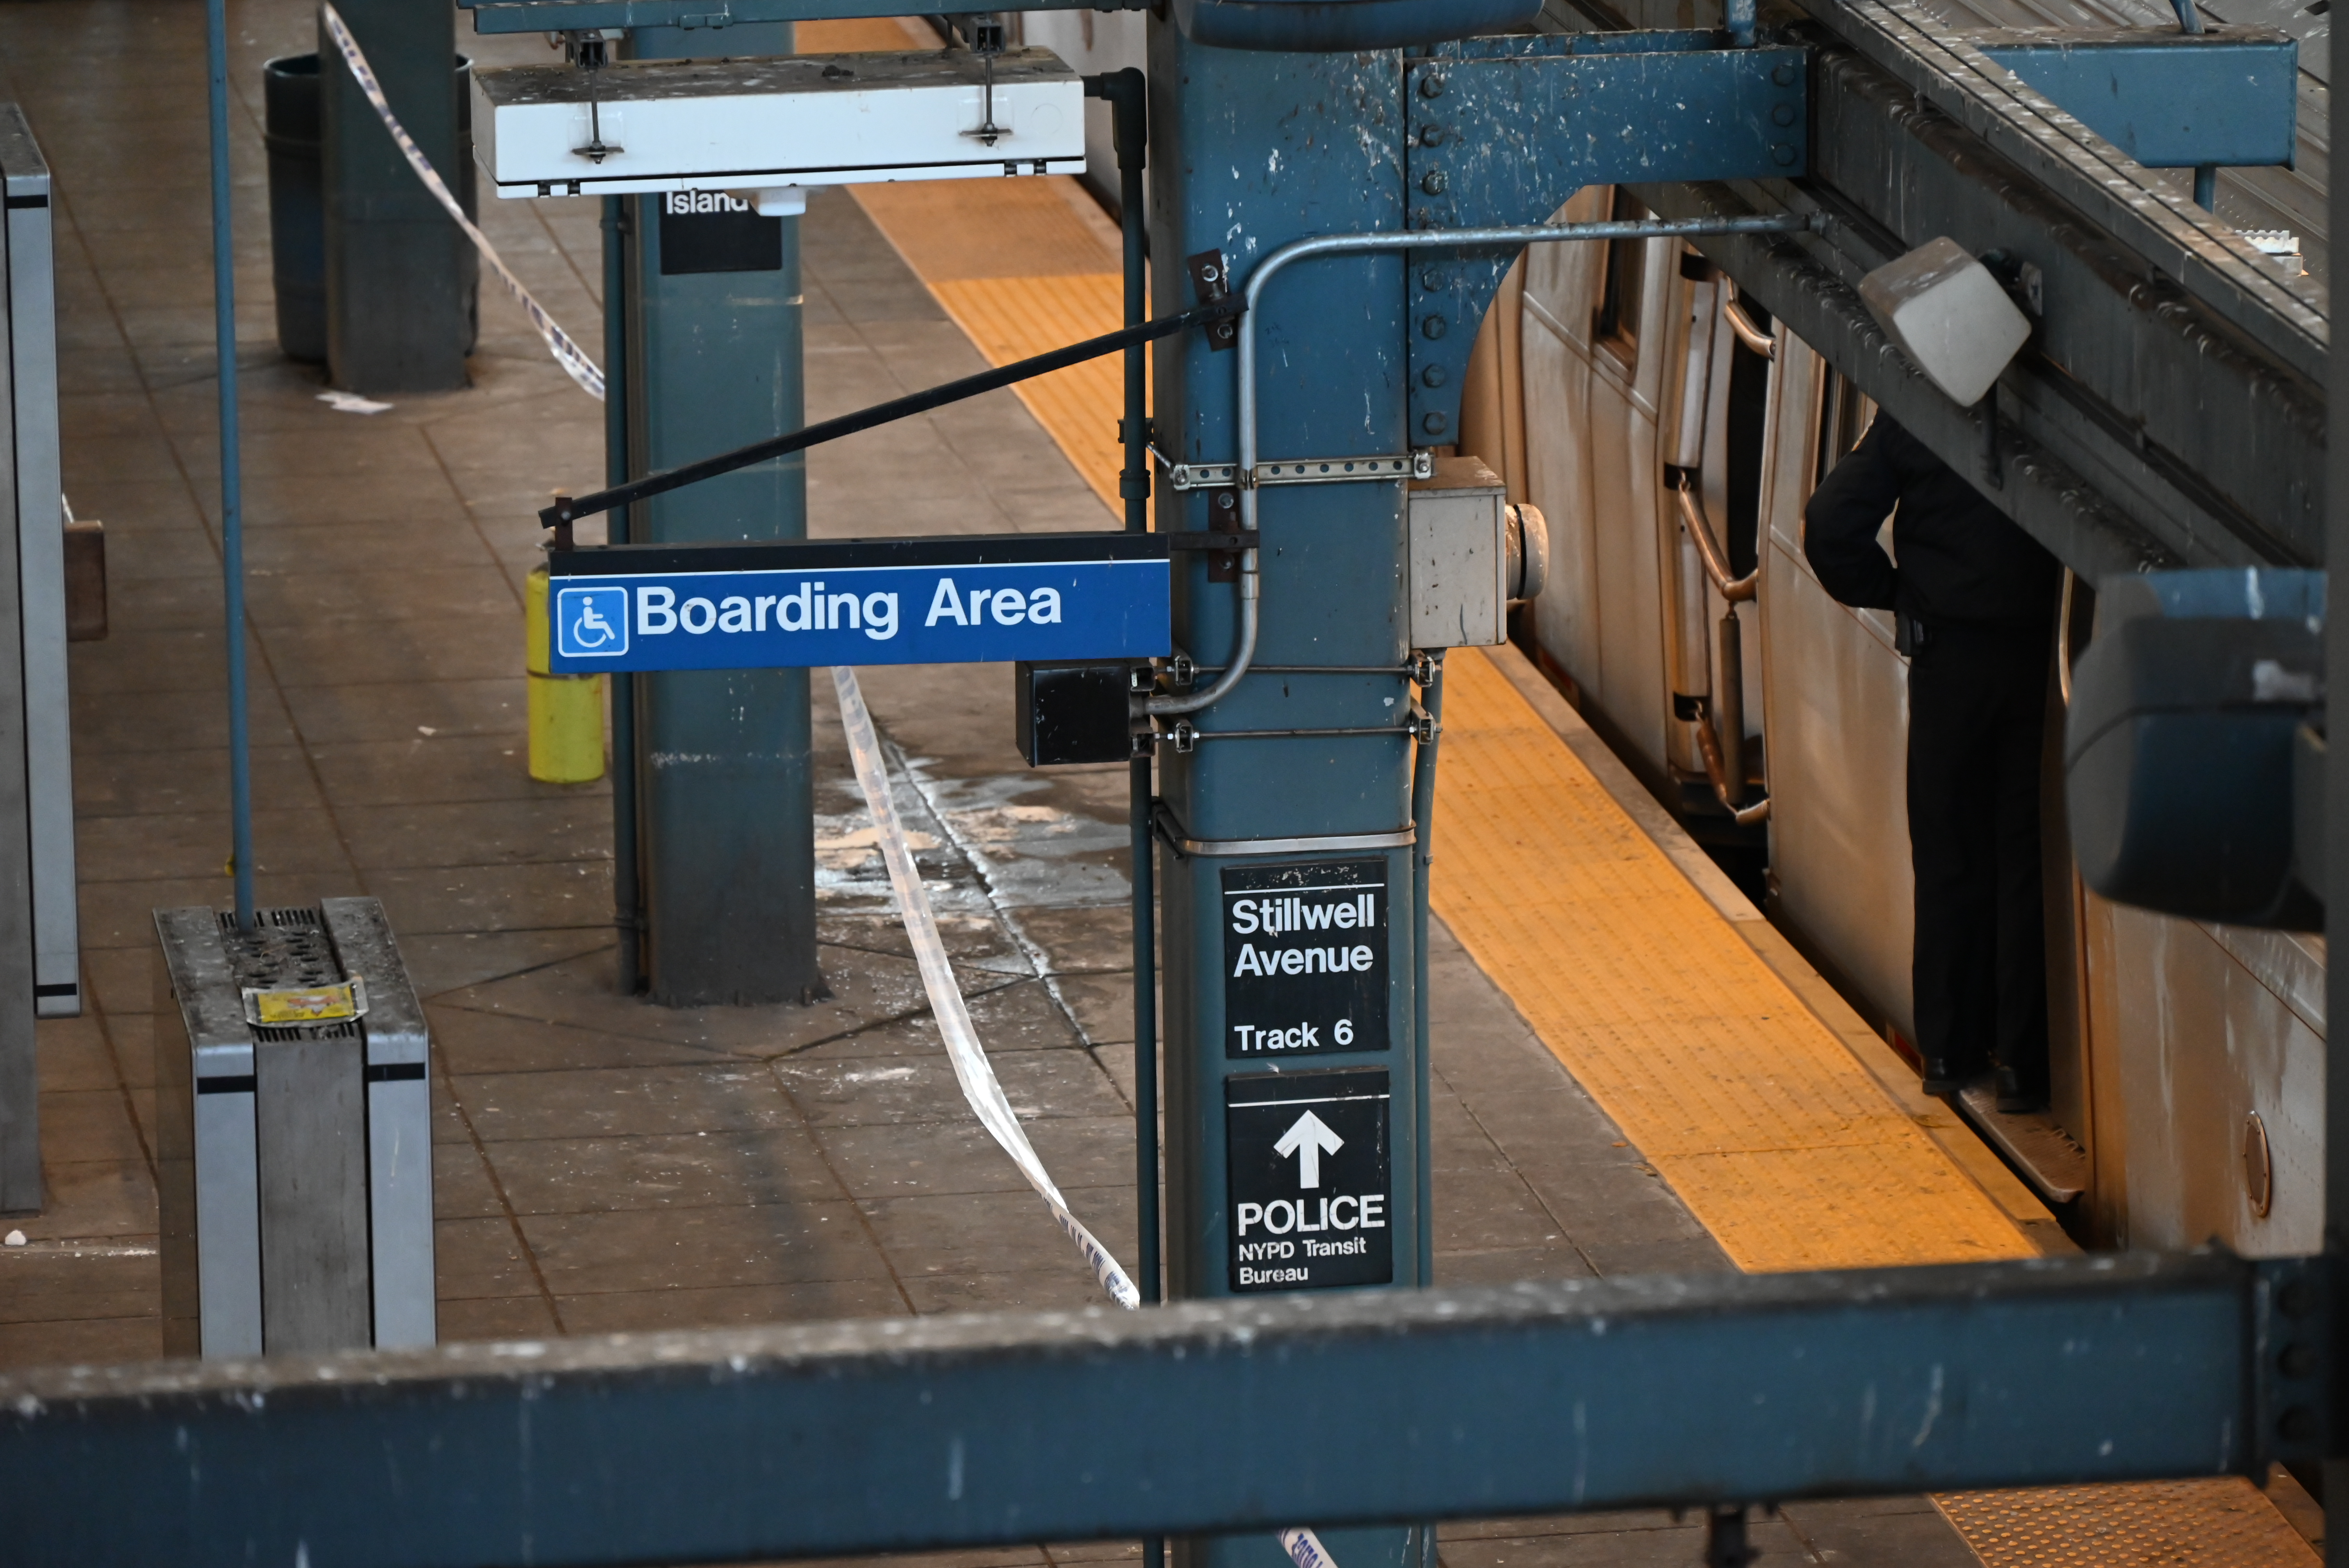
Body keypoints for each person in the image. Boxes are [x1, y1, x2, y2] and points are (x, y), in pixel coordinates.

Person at [1803, 413, 2060, 1112]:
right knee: (2025, 862)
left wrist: (1892, 591)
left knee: (1949, 854)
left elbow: (1830, 522)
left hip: (1948, 661)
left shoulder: (1916, 412)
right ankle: (2023, 1069)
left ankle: (1949, 1053)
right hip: (2040, 665)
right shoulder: (2060, 418)